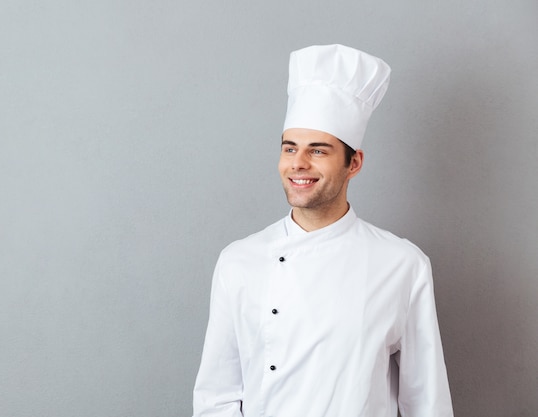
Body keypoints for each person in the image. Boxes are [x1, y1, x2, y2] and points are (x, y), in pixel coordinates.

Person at [192, 44, 453, 417]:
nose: (298, 164)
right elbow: (215, 398)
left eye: (318, 151)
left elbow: (427, 403)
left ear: (354, 163)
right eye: (289, 148)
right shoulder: (239, 260)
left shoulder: (402, 265)